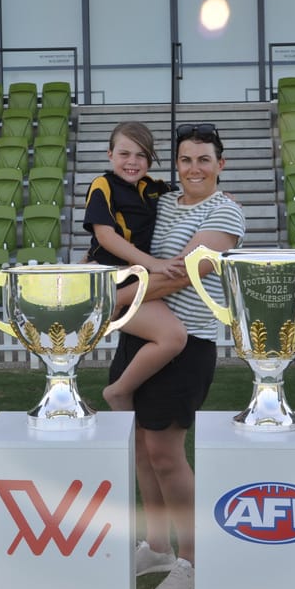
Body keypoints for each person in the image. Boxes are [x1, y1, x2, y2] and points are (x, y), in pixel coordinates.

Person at [110, 122, 245, 589]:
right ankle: (157, 546)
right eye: (186, 159)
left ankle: (191, 559)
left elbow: (182, 277)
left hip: (187, 345)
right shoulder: (163, 202)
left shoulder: (226, 215)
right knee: (144, 449)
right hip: (141, 332)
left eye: (204, 159)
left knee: (167, 454)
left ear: (220, 164)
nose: (194, 168)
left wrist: (110, 300)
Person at [82, 121, 188, 411]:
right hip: (114, 280)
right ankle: (118, 392)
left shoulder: (156, 188)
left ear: (150, 159)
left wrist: (220, 198)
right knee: (173, 337)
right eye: (124, 154)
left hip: (140, 279)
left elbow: (193, 197)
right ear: (110, 155)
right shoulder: (102, 185)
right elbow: (105, 236)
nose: (132, 162)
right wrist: (154, 264)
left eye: (141, 155)